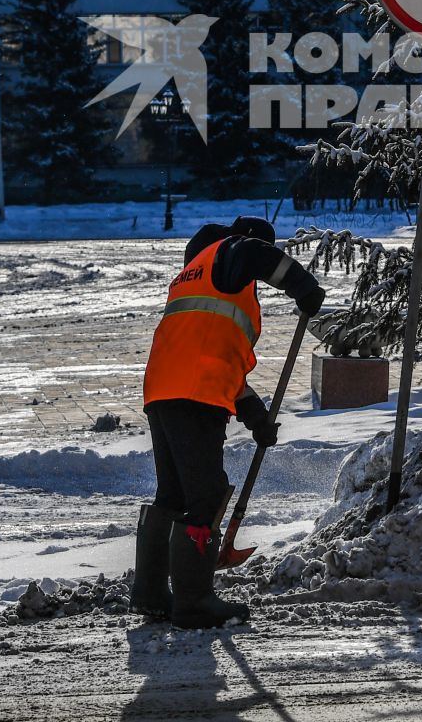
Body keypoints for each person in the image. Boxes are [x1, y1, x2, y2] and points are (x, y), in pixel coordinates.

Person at [134, 215, 324, 629]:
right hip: (194, 395)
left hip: (165, 389)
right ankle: (194, 601)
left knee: (174, 493)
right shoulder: (233, 251)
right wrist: (303, 287)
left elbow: (217, 362)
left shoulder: (196, 273)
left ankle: (150, 593)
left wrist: (256, 418)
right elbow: (256, 253)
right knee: (206, 496)